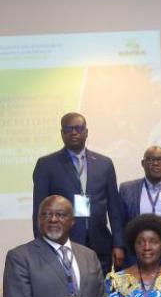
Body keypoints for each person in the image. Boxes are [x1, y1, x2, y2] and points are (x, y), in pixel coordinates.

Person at [31, 112, 125, 273]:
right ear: (62, 133)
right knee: (68, 293)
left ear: (86, 132)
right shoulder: (47, 164)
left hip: (100, 244)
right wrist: (42, 246)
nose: (74, 132)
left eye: (78, 128)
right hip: (62, 243)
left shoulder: (104, 163)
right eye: (68, 129)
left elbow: (114, 208)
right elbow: (39, 210)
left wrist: (118, 243)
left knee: (98, 293)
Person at [118, 146, 161, 266]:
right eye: (151, 160)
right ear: (143, 163)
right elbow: (120, 223)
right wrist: (119, 246)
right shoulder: (127, 189)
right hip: (135, 256)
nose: (156, 163)